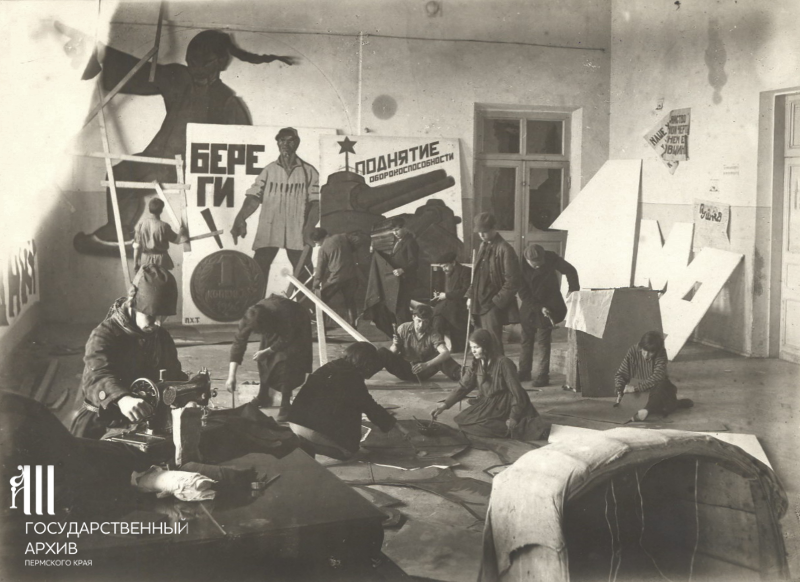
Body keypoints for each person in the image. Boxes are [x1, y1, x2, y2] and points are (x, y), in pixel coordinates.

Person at [55, 23, 295, 255]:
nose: (196, 69)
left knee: (125, 174)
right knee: (119, 173)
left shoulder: (227, 101)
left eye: (204, 63)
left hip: (188, 168)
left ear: (221, 62)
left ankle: (119, 235)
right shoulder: (179, 78)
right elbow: (138, 72)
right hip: (157, 158)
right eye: (192, 62)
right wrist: (98, 53)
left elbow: (241, 156)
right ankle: (118, 234)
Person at [70, 266, 187, 439]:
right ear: (133, 303)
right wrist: (122, 399)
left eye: (163, 316)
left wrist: (186, 395)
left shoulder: (161, 337)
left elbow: (174, 376)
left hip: (143, 424)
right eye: (152, 316)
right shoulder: (104, 335)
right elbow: (97, 377)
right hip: (100, 424)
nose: (158, 323)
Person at [287, 342, 408, 459]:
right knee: (349, 451)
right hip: (310, 430)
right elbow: (371, 408)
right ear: (367, 364)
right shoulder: (353, 379)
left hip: (295, 423)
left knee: (345, 413)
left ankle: (303, 440)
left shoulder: (331, 366)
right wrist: (397, 426)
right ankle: (306, 444)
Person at [230, 127, 319, 285]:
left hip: (298, 230)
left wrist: (309, 227)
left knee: (304, 275)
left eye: (290, 141)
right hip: (269, 228)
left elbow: (317, 203)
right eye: (282, 140)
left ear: (297, 143)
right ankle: (255, 302)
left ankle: (305, 303)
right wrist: (240, 218)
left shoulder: (309, 171)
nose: (285, 144)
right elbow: (254, 197)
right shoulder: (269, 170)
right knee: (257, 273)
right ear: (277, 143)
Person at [431, 329, 547, 441]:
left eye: (476, 347)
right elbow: (463, 386)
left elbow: (517, 393)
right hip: (489, 402)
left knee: (480, 425)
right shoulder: (476, 364)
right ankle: (500, 425)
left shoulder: (504, 363)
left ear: (486, 347)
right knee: (462, 420)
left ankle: (510, 428)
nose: (473, 351)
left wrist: (513, 417)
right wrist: (445, 405)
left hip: (505, 404)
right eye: (472, 347)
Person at [226, 294, 312, 422]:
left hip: (296, 319)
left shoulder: (285, 315)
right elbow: (238, 344)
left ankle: (285, 403)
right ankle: (263, 396)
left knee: (286, 359)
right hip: (275, 321)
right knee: (263, 359)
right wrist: (231, 376)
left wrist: (268, 350)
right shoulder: (248, 318)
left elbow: (287, 338)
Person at [518, 243, 580, 387]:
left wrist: (573, 289)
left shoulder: (551, 257)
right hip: (530, 306)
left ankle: (542, 375)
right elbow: (524, 294)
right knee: (526, 340)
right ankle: (524, 372)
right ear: (527, 260)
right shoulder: (518, 267)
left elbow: (571, 270)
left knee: (543, 342)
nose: (539, 265)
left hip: (550, 304)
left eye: (541, 261)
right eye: (535, 263)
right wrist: (539, 308)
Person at [467, 212, 521, 354]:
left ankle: (499, 368)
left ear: (493, 229)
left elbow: (513, 281)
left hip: (492, 304)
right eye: (479, 232)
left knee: (493, 342)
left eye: (484, 231)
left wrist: (496, 302)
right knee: (479, 342)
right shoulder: (482, 246)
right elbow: (476, 276)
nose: (481, 235)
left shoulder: (505, 249)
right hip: (478, 301)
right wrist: (470, 296)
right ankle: (483, 368)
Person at [615, 331, 693, 422]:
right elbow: (621, 374)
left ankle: (647, 410)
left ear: (657, 351)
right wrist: (620, 391)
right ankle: (655, 408)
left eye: (651, 352)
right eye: (644, 350)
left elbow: (658, 376)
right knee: (662, 405)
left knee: (663, 386)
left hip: (655, 388)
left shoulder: (661, 352)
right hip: (639, 391)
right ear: (641, 346)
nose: (646, 355)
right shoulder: (633, 351)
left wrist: (635, 388)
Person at [378, 304, 462, 382]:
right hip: (404, 368)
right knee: (383, 352)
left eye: (425, 322)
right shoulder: (403, 328)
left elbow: (446, 353)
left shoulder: (433, 333)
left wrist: (426, 365)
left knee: (441, 357)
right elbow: (393, 353)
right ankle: (369, 372)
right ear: (413, 317)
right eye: (419, 321)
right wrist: (396, 345)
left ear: (429, 321)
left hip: (423, 371)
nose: (421, 325)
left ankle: (463, 376)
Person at [310, 227, 361, 327]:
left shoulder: (323, 249)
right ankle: (353, 327)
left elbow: (320, 269)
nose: (317, 245)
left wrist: (315, 284)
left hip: (337, 279)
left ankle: (322, 327)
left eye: (316, 242)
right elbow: (358, 240)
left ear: (321, 238)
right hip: (352, 276)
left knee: (321, 299)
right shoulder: (343, 237)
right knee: (350, 301)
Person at [431, 250, 471, 353]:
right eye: (442, 267)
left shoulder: (465, 271)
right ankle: (437, 349)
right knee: (437, 321)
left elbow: (466, 290)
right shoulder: (448, 273)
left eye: (445, 266)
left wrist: (446, 295)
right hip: (448, 307)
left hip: (461, 307)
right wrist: (440, 295)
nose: (444, 269)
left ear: (453, 263)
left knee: (438, 314)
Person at [133, 198, 187, 271]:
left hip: (145, 259)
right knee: (162, 278)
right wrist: (181, 231)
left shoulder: (140, 224)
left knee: (146, 278)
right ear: (161, 210)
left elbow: (136, 246)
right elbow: (177, 241)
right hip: (160, 260)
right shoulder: (164, 226)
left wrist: (135, 263)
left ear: (149, 209)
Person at [387, 217, 420, 325]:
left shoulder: (410, 242)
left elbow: (414, 262)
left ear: (404, 228)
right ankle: (402, 330)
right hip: (399, 280)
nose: (395, 233)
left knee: (402, 308)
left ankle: (405, 331)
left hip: (406, 280)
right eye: (393, 230)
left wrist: (403, 270)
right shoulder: (398, 241)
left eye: (397, 229)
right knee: (399, 308)